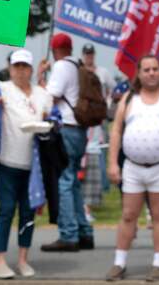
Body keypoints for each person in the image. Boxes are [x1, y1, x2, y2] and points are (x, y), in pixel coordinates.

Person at [105, 54, 159, 282]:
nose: (151, 73)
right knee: (128, 215)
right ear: (139, 73)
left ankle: (158, 264)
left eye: (155, 69)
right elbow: (116, 131)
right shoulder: (129, 99)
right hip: (133, 168)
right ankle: (119, 263)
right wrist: (113, 162)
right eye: (146, 69)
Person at [0, 49, 53, 279]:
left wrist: (50, 124)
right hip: (6, 161)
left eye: (24, 67)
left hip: (33, 166)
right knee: (7, 209)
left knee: (28, 212)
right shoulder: (2, 88)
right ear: (10, 68)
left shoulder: (42, 94)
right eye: (16, 66)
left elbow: (52, 117)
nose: (20, 71)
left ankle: (23, 259)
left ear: (30, 69)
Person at [40, 33, 95, 252]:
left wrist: (40, 76)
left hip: (67, 128)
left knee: (63, 180)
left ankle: (68, 234)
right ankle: (84, 231)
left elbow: (49, 96)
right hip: (80, 129)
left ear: (55, 51)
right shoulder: (78, 65)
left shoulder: (62, 66)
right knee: (73, 182)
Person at [80, 43, 114, 220]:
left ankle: (98, 193)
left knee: (99, 155)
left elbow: (111, 88)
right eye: (86, 54)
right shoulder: (78, 72)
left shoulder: (103, 72)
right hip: (83, 119)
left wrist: (105, 104)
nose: (89, 57)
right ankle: (83, 204)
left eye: (91, 54)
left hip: (99, 118)